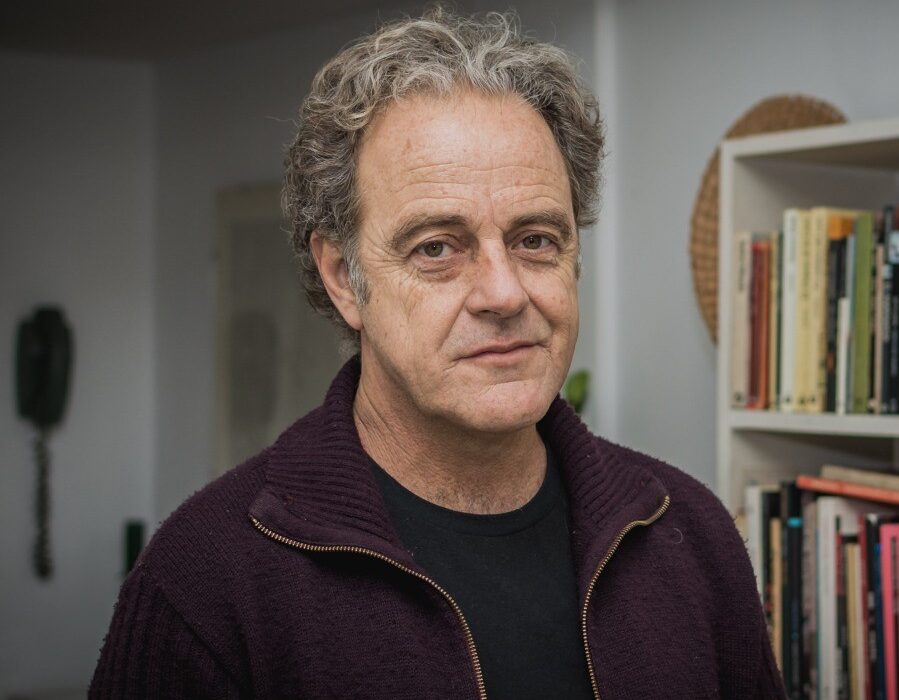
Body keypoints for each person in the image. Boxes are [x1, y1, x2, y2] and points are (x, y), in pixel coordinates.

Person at [90, 8, 785, 699]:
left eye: (535, 239)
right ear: (342, 278)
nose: (503, 292)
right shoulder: (205, 583)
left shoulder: (689, 535)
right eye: (436, 248)